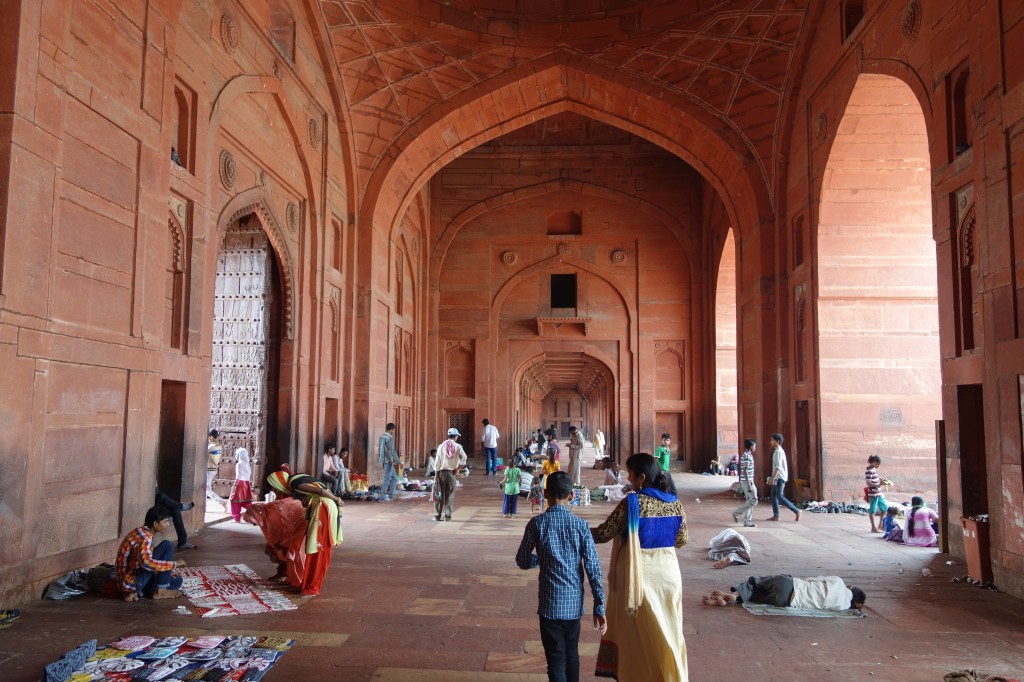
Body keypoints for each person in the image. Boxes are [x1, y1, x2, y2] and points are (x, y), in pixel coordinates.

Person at [591, 453, 688, 681]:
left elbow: (604, 534)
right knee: (669, 631)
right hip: (668, 574)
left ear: (642, 477)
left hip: (638, 577)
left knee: (639, 635)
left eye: (631, 474)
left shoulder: (632, 503)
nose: (629, 478)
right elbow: (681, 540)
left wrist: (577, 530)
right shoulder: (675, 503)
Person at [516, 471, 607, 682]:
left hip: (549, 604)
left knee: (555, 660)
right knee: (571, 653)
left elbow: (522, 560)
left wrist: (541, 560)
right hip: (573, 605)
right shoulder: (581, 526)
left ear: (545, 493)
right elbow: (593, 568)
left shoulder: (536, 524)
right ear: (571, 495)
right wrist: (599, 606)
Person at [267, 469, 343, 596]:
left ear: (279, 482)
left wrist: (337, 499)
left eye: (275, 487)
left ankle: (312, 587)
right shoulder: (297, 478)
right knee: (312, 548)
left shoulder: (294, 483)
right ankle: (306, 585)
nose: (275, 491)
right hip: (321, 507)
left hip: (323, 509)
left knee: (317, 549)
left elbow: (321, 491)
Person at [115, 506, 187, 602]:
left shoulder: (140, 531)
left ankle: (139, 593)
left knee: (177, 580)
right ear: (156, 524)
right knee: (167, 545)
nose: (168, 524)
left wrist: (165, 572)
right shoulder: (146, 537)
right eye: (165, 521)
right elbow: (146, 563)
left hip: (129, 581)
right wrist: (174, 564)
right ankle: (160, 591)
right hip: (131, 582)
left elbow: (142, 562)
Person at [702, 575, 866, 613]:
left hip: (789, 584)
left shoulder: (838, 581)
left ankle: (736, 594)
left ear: (850, 588)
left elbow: (811, 580)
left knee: (757, 582)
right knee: (755, 597)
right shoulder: (842, 607)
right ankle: (734, 599)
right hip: (786, 601)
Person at [243, 495, 308, 587]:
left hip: (300, 529)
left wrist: (280, 545)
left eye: (253, 522)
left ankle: (295, 580)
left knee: (290, 554)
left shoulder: (272, 515)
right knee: (275, 550)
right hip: (294, 528)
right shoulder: (266, 512)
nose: (254, 525)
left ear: (257, 516)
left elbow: (281, 533)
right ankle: (286, 574)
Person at [434, 427, 468, 521]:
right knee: (450, 495)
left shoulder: (441, 446)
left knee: (439, 494)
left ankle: (437, 515)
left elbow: (437, 462)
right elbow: (464, 458)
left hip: (441, 473)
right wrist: (458, 468)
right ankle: (447, 516)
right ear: (455, 436)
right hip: (451, 473)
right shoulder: (458, 447)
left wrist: (436, 474)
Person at [766, 434, 801, 522]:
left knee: (779, 496)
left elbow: (778, 467)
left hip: (779, 478)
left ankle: (796, 510)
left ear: (777, 442)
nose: (771, 442)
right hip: (779, 477)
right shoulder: (778, 450)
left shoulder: (778, 452)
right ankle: (776, 515)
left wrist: (773, 478)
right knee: (774, 496)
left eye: (772, 440)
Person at [732, 439, 758, 528]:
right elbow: (745, 471)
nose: (755, 447)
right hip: (747, 482)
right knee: (754, 500)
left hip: (746, 481)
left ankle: (747, 522)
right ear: (751, 447)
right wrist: (749, 485)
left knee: (749, 500)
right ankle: (736, 512)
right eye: (754, 446)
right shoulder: (747, 456)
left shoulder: (746, 455)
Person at [865, 455, 891, 533]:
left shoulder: (873, 469)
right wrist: (879, 484)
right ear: (873, 462)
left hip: (878, 493)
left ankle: (880, 525)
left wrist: (880, 479)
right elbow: (869, 483)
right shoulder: (869, 470)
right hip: (873, 494)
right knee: (872, 511)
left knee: (885, 508)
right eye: (877, 463)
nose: (878, 465)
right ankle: (873, 528)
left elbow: (874, 479)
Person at [229, 447, 255, 522]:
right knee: (244, 501)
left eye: (237, 454)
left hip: (239, 483)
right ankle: (257, 509)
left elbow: (238, 476)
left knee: (234, 500)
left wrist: (234, 485)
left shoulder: (239, 464)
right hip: (246, 483)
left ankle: (236, 518)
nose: (236, 456)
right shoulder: (247, 464)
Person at [378, 423, 400, 502]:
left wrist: (381, 460)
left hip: (384, 460)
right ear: (392, 429)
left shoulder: (381, 436)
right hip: (389, 460)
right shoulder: (389, 437)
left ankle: (391, 495)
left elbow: (380, 449)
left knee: (394, 477)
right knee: (387, 478)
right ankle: (383, 497)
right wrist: (398, 462)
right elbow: (392, 451)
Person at [206, 429, 226, 509]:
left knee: (206, 489)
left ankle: (221, 501)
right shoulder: (219, 446)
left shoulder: (211, 447)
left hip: (209, 469)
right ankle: (204, 506)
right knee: (207, 488)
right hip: (213, 469)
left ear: (210, 437)